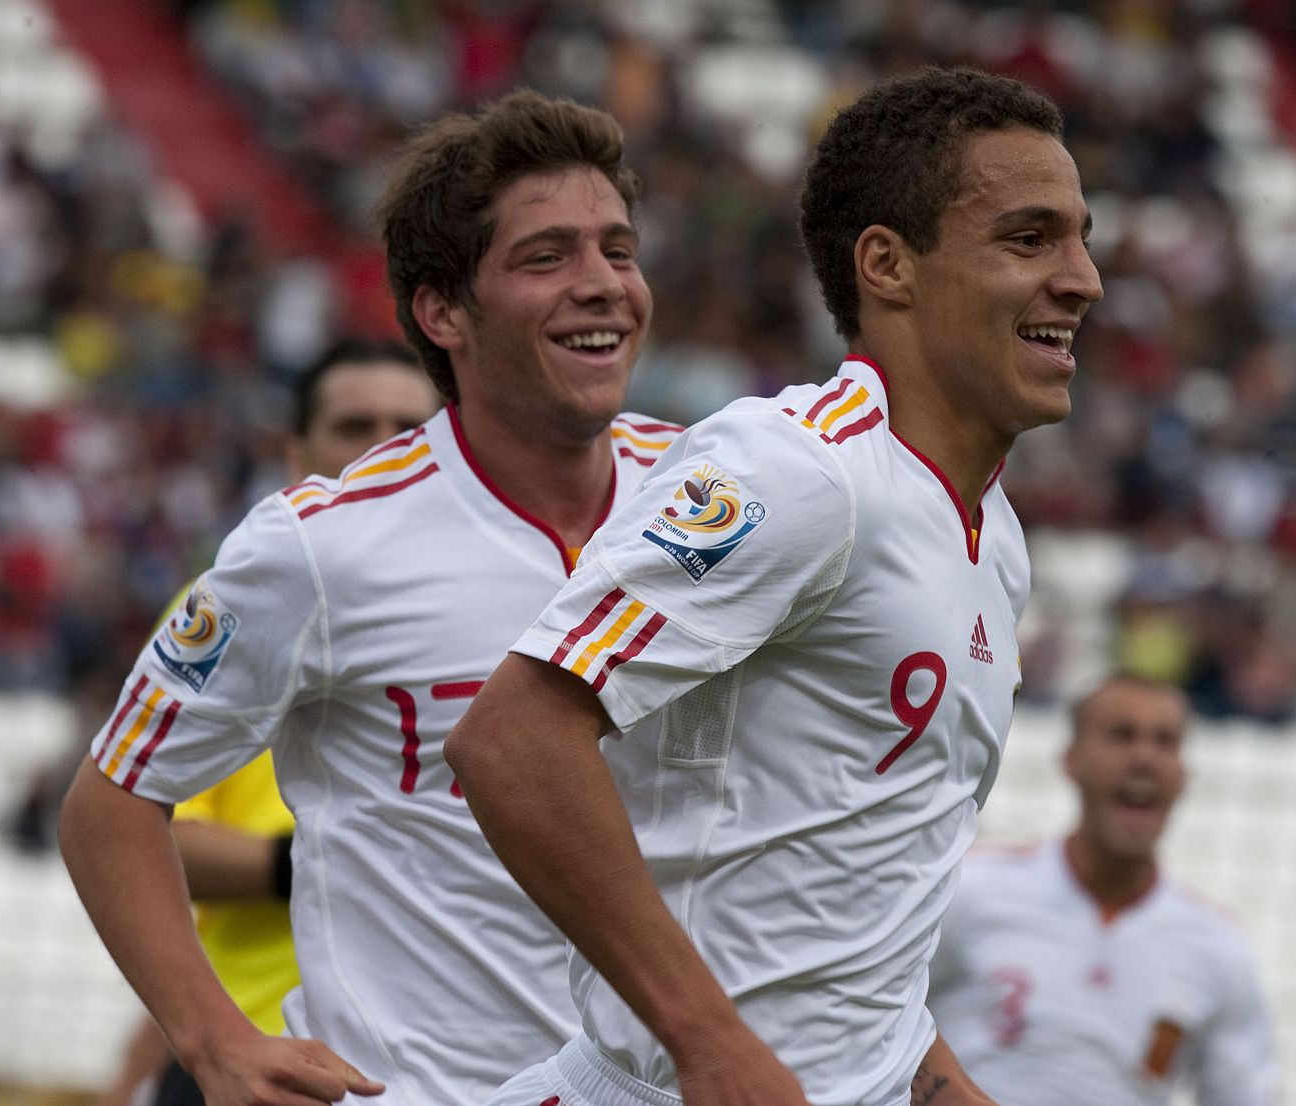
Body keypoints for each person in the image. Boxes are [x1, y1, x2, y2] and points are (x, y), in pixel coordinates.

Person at [445, 66, 1102, 1106]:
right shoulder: (799, 469)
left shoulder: (996, 541)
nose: (1082, 278)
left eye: (1079, 236)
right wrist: (708, 1040)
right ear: (887, 265)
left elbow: (853, 891)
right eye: (1029, 239)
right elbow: (511, 738)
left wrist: (933, 1082)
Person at [58, 90, 682, 1106]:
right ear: (442, 311)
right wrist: (212, 1040)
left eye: (618, 249)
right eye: (545, 257)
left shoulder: (719, 500)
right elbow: (110, 801)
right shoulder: (321, 544)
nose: (603, 285)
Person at [97, 337, 440, 1106]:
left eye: (408, 427)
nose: (383, 449)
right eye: (355, 428)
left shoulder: (525, 610)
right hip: (257, 1051)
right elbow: (134, 827)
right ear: (296, 453)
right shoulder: (231, 611)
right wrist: (316, 862)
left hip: (452, 1057)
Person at [927, 676, 1280, 1106]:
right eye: (1121, 735)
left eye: (1165, 741)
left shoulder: (1221, 950)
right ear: (1071, 759)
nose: (1144, 758)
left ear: (1183, 774)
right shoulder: (970, 888)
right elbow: (874, 1013)